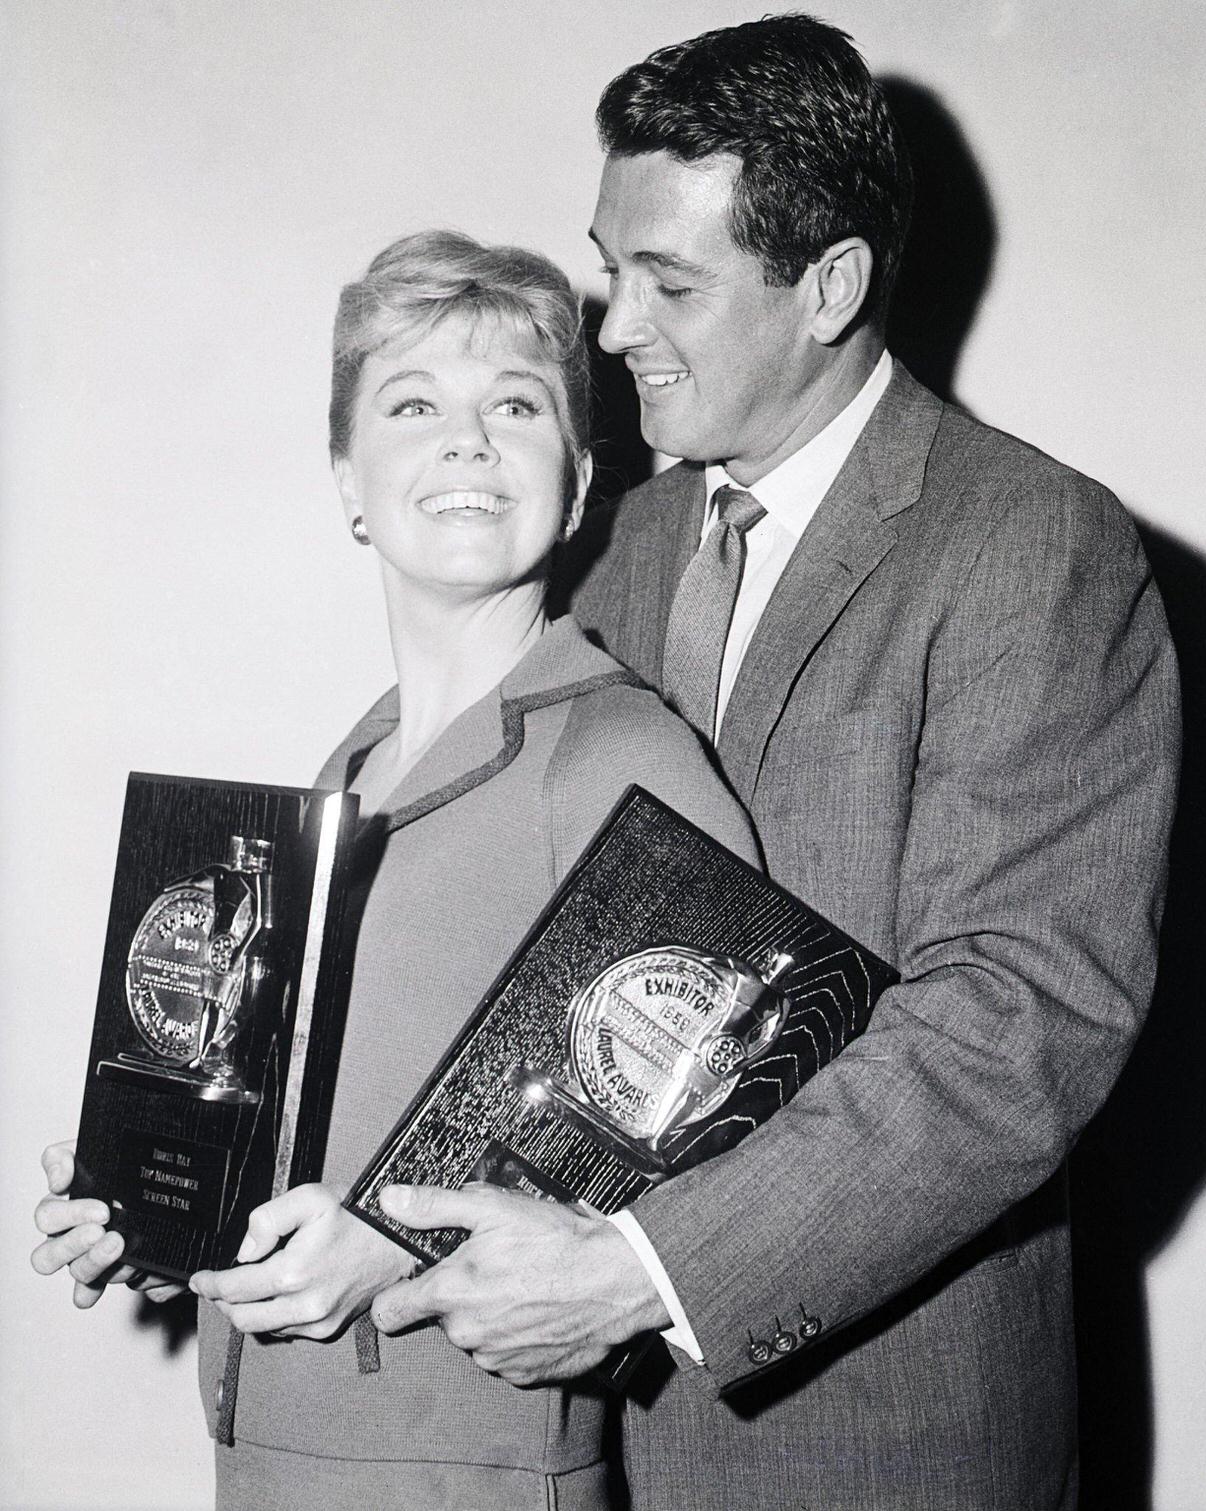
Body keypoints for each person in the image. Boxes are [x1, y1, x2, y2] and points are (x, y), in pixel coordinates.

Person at [366, 16, 1182, 1510]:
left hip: (882, 1440)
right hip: (591, 1445)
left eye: (668, 282)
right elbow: (478, 909)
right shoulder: (622, 541)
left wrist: (644, 1272)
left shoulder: (1035, 546)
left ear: (832, 287)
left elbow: (1020, 1018)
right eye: (612, 268)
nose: (610, 329)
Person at [31, 228, 757, 1510]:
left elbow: (723, 1135)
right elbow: (317, 1134)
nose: (468, 440)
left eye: (516, 407)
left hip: (462, 1468)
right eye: (414, 403)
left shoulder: (617, 751)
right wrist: (157, 1206)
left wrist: (392, 1245)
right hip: (271, 1452)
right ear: (348, 479)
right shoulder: (346, 768)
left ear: (582, 481)